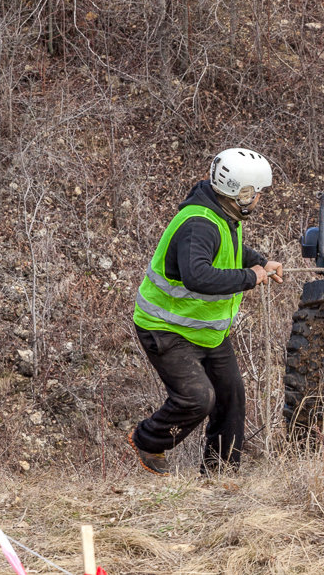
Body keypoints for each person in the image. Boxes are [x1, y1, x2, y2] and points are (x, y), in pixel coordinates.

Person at [129, 148, 283, 476]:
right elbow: (197, 275)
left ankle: (221, 475)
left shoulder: (223, 215)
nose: (259, 199)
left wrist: (259, 262)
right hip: (165, 328)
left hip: (204, 331)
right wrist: (249, 278)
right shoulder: (199, 223)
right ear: (241, 193)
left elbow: (229, 249)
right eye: (257, 193)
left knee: (231, 396)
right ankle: (148, 440)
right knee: (198, 399)